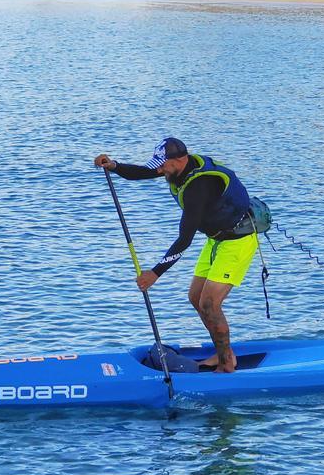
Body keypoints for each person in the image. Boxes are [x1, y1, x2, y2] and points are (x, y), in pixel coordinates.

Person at [95, 138, 258, 373]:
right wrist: (115, 166)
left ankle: (226, 368)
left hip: (238, 241)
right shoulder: (177, 168)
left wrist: (155, 273)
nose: (160, 170)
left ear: (180, 160)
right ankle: (226, 354)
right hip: (216, 239)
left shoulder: (199, 187)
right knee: (195, 297)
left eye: (164, 165)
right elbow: (144, 172)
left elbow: (184, 239)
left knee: (210, 304)